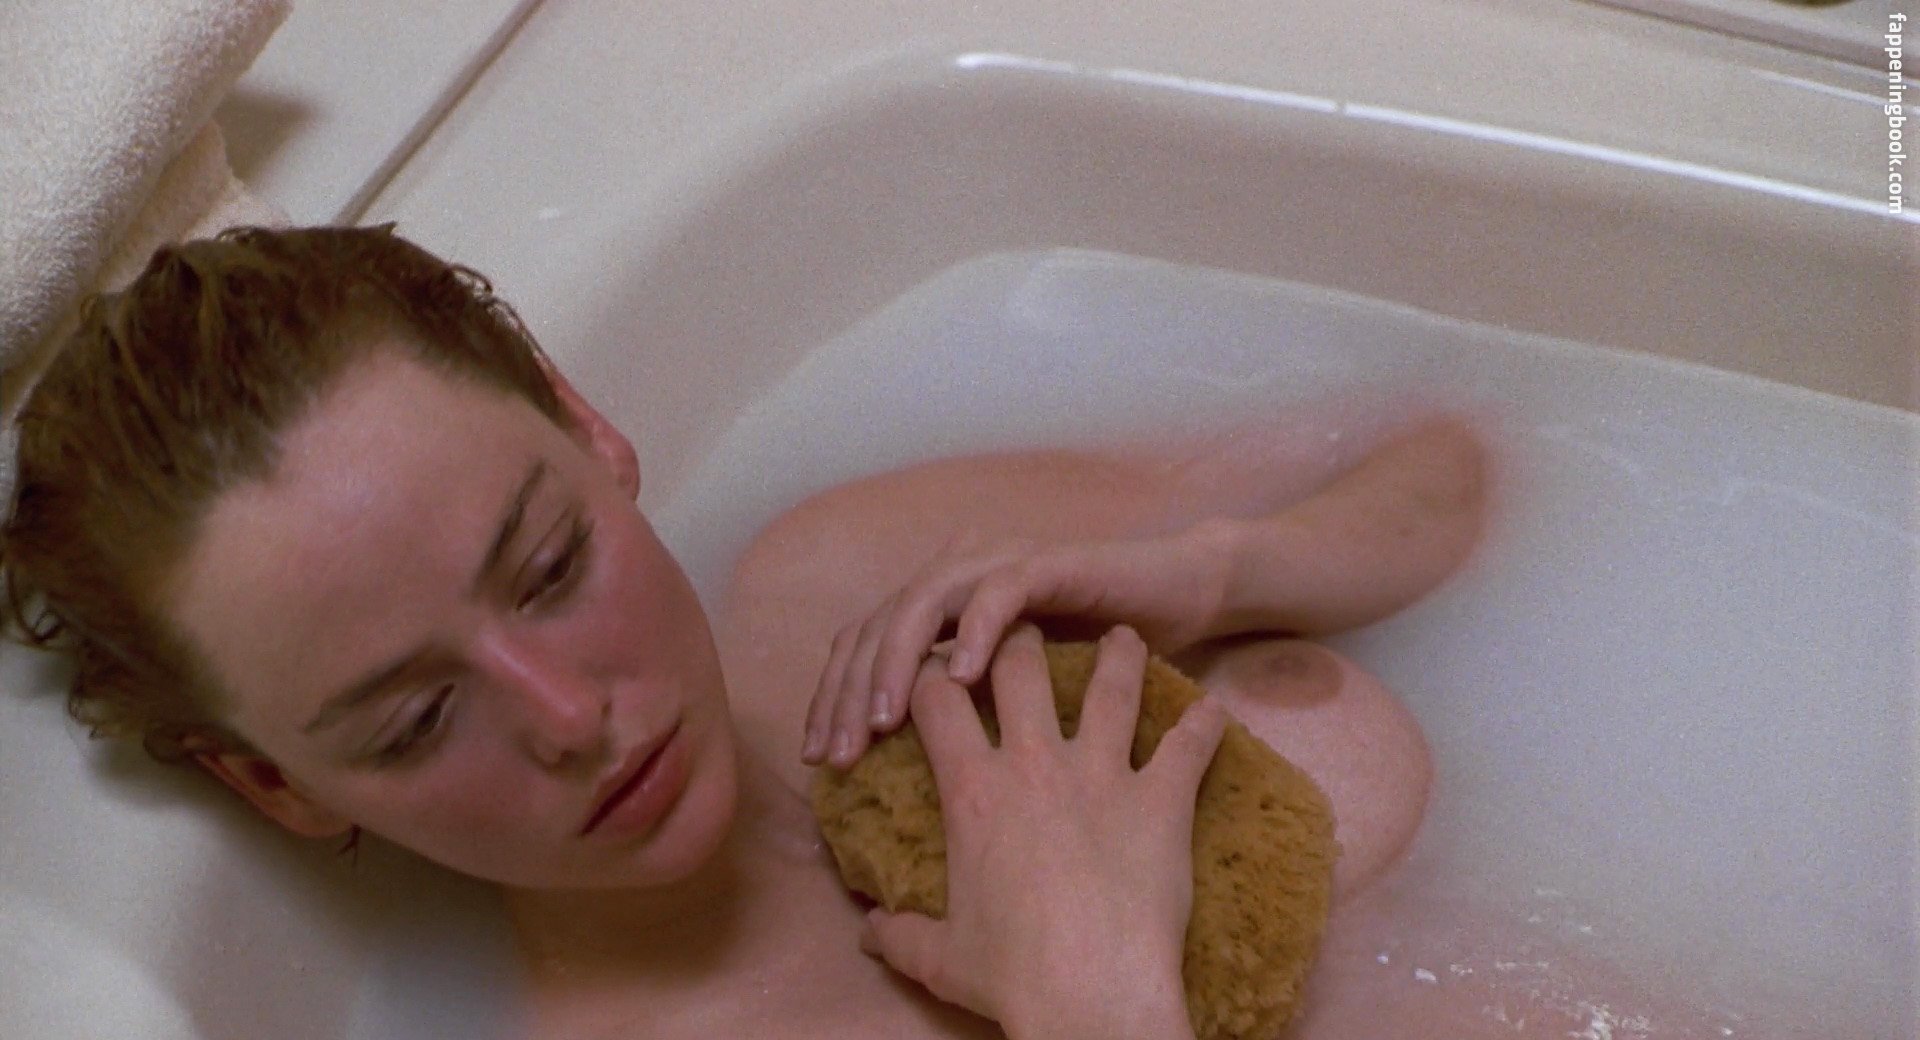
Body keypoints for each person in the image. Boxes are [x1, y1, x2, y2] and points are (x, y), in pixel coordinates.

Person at [1, 224, 1724, 1039]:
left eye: (546, 565)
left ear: (584, 420)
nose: (566, 712)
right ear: (276, 786)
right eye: (409, 721)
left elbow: (1459, 464)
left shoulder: (855, 574)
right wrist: (1101, 1011)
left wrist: (1216, 569)